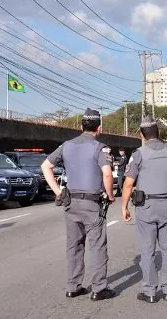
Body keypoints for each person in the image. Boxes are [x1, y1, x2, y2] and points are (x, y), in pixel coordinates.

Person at [41, 108, 116, 302]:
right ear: (99, 127)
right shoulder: (100, 147)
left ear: (80, 126)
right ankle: (99, 288)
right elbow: (107, 173)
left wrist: (58, 191)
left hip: (71, 202)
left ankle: (73, 286)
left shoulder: (66, 146)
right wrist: (110, 194)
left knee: (74, 246)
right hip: (92, 203)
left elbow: (45, 166)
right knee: (97, 246)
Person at [121, 114, 167, 304]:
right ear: (159, 132)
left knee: (147, 250)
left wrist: (124, 207)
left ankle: (150, 292)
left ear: (142, 134)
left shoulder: (138, 154)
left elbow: (128, 184)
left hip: (145, 206)